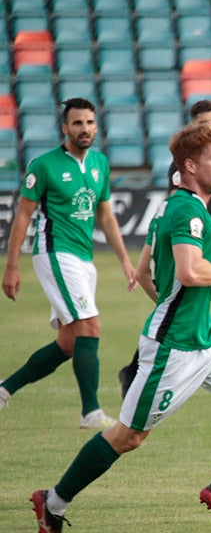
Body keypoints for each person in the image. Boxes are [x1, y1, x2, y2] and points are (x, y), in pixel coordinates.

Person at [31, 122, 211, 533]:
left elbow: (143, 272)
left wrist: (169, 305)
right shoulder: (186, 211)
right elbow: (190, 273)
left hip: (207, 337)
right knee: (129, 437)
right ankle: (52, 501)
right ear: (189, 165)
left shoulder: (175, 207)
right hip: (174, 349)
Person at [1, 98, 136, 429]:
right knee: (90, 326)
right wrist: (12, 265)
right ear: (65, 128)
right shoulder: (44, 165)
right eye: (77, 123)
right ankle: (90, 413)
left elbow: (104, 214)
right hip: (55, 252)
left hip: (83, 258)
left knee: (69, 342)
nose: (85, 129)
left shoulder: (99, 164)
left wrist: (125, 261)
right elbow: (23, 215)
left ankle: (4, 391)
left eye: (89, 122)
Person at [117, 100, 211, 399]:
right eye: (205, 124)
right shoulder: (185, 168)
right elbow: (184, 208)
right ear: (192, 127)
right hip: (188, 242)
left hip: (208, 244)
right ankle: (137, 367)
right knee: (178, 307)